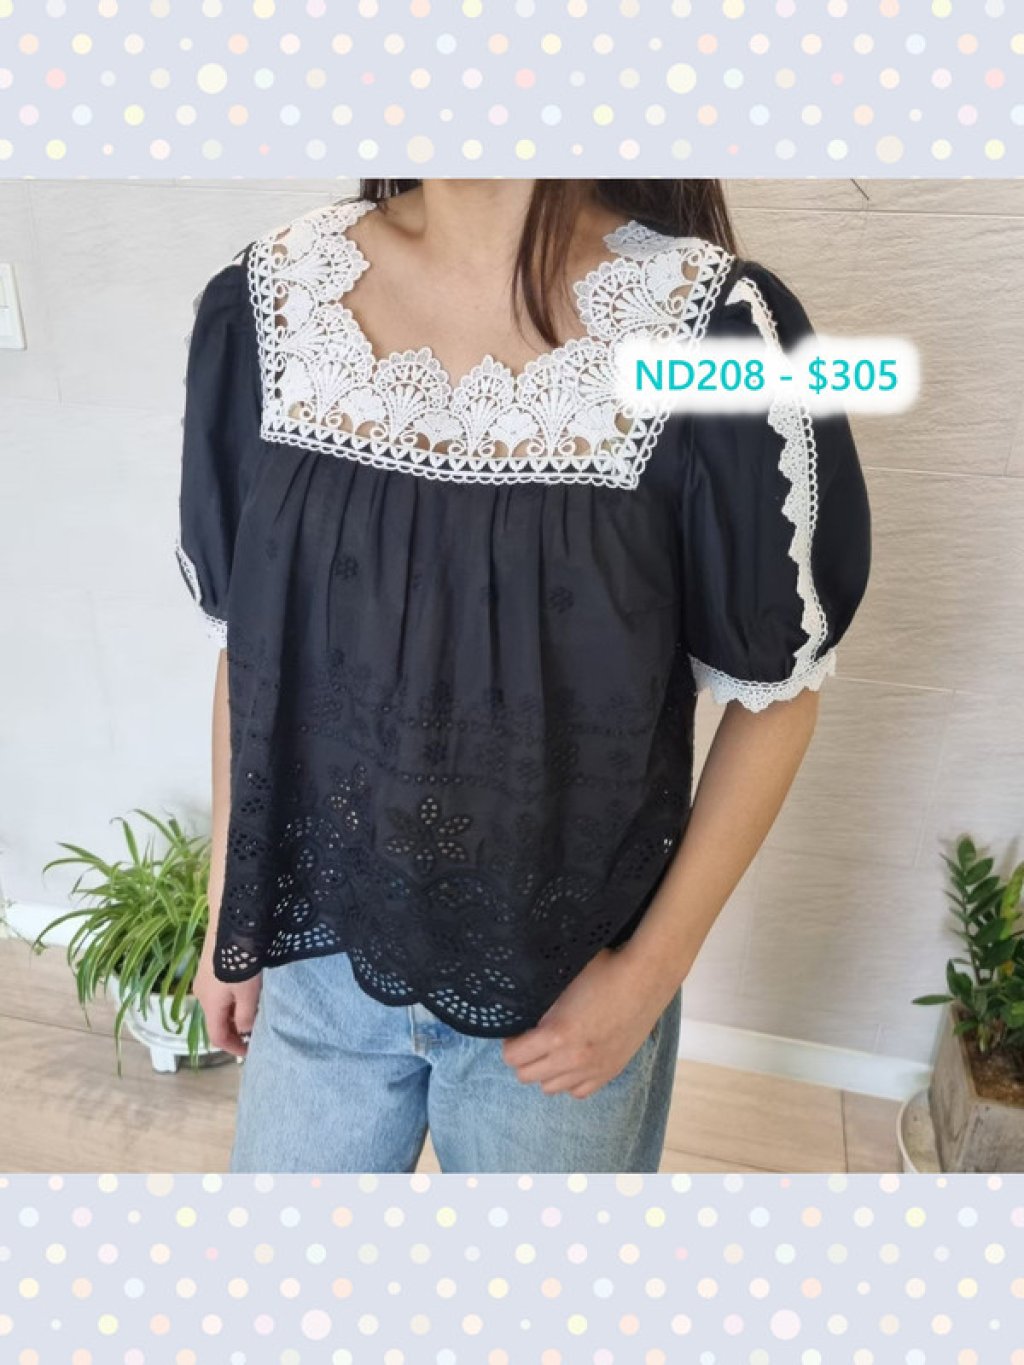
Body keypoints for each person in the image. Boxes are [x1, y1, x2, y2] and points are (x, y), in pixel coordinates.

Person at [175, 178, 871, 1174]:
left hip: (565, 990)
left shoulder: (712, 327)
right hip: (320, 961)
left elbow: (781, 692)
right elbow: (250, 655)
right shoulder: (274, 298)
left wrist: (643, 981)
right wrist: (228, 916)